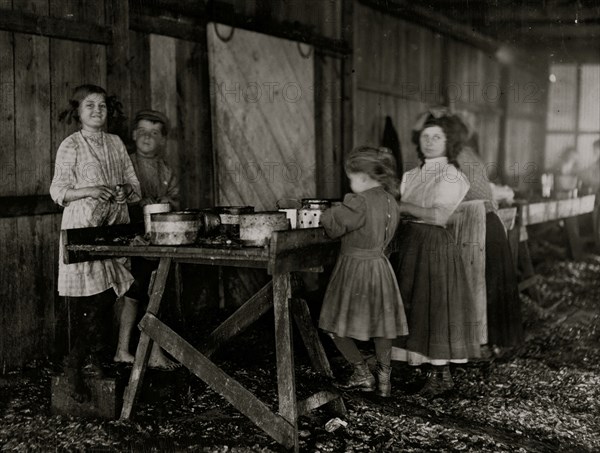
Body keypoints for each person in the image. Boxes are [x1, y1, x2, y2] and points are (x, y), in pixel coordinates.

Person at [50, 84, 141, 401]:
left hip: (113, 228)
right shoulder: (70, 145)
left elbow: (134, 186)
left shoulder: (116, 143)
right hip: (83, 228)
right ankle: (77, 368)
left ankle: (86, 362)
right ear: (77, 111)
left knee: (106, 295)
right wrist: (90, 191)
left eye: (102, 106)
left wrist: (123, 192)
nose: (96, 111)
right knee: (85, 301)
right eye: (89, 106)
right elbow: (58, 192)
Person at [418, 112, 524, 351]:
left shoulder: (453, 161)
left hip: (478, 229)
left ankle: (480, 348)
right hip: (490, 226)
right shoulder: (466, 154)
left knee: (479, 289)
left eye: (436, 136)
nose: (430, 142)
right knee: (488, 288)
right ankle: (490, 346)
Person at [391, 116, 480, 397]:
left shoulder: (452, 175)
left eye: (436, 137)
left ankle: (442, 376)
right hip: (410, 244)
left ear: (449, 142)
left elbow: (440, 215)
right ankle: (425, 370)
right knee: (415, 307)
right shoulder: (411, 176)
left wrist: (402, 205)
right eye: (425, 136)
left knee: (437, 308)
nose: (429, 142)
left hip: (434, 246)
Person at [318, 146, 408, 397]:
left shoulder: (359, 201)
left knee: (334, 325)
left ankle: (360, 372)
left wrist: (328, 213)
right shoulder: (391, 200)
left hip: (355, 269)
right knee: (382, 326)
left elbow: (333, 226)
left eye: (351, 178)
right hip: (381, 268)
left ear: (363, 178)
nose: (350, 183)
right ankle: (384, 380)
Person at [113, 109, 180, 370]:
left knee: (155, 293)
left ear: (163, 139)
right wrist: (140, 203)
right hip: (132, 239)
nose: (147, 137)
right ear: (133, 135)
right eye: (141, 132)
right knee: (133, 293)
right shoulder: (126, 165)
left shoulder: (166, 170)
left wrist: (167, 202)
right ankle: (123, 349)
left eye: (154, 133)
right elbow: (119, 198)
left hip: (158, 240)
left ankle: (152, 351)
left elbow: (175, 199)